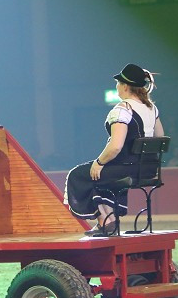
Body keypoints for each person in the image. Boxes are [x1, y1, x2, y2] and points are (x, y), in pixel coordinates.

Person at [64, 63, 165, 236]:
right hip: (149, 169)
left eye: (118, 83)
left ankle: (105, 221)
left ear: (125, 86)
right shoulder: (151, 108)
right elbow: (160, 137)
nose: (117, 86)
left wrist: (98, 162)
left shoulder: (122, 110)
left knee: (77, 175)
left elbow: (116, 146)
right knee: (97, 175)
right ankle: (109, 220)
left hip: (127, 168)